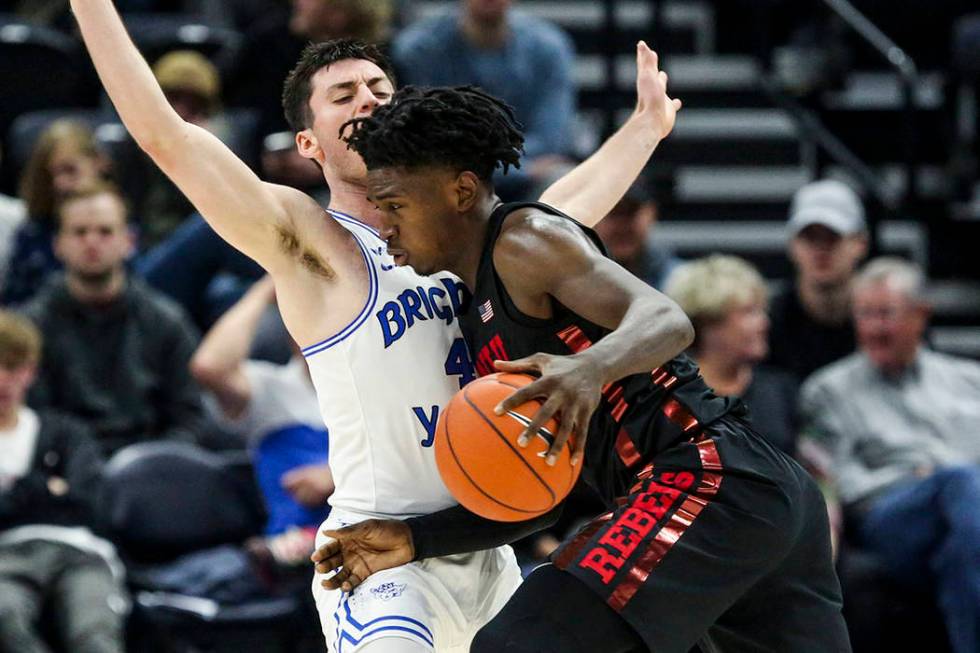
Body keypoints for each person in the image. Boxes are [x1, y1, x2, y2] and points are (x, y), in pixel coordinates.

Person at [71, 0, 683, 648]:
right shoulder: (309, 240)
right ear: (308, 142)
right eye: (343, 93)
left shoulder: (466, 230)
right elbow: (164, 137)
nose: (366, 98)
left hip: (488, 543)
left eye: (378, 89)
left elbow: (562, 213)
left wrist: (644, 130)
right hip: (380, 553)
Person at [314, 85, 850, 653]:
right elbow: (540, 499)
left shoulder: (523, 241)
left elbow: (666, 318)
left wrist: (590, 368)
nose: (384, 224)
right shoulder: (480, 310)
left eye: (395, 205)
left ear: (461, 190)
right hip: (757, 497)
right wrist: (415, 538)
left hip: (706, 479)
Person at [799, 257, 980, 653]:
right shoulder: (828, 390)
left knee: (961, 555)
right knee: (962, 482)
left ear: (921, 315)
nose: (875, 328)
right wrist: (926, 480)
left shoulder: (969, 381)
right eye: (865, 315)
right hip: (888, 516)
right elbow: (833, 480)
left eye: (887, 314)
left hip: (967, 519)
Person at [19, 184, 209, 456]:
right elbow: (28, 419)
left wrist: (155, 465)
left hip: (149, 470)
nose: (92, 241)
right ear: (58, 244)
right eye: (79, 232)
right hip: (62, 471)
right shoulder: (31, 328)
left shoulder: (166, 322)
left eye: (105, 231)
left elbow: (190, 417)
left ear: (129, 242)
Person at [0, 309, 128, 653]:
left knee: (94, 632)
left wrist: (17, 496)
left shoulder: (65, 432)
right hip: (5, 556)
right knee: (6, 618)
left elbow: (91, 499)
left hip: (78, 550)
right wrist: (47, 487)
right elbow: (66, 494)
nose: (2, 381)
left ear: (29, 371)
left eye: (12, 368)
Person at [191, 275, 332, 566]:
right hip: (296, 552)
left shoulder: (376, 390)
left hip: (373, 536)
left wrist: (338, 476)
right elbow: (209, 367)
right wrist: (266, 288)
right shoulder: (271, 388)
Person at [393, 0, 576, 197]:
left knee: (562, 179)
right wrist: (522, 171)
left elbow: (550, 140)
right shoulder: (420, 49)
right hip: (451, 181)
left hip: (525, 182)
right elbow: (430, 144)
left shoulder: (549, 47)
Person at [665, 254, 800, 454]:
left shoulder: (781, 390)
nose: (764, 323)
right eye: (749, 312)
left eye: (762, 311)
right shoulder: (672, 397)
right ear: (708, 321)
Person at [767, 178, 868, 381]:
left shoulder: (884, 318)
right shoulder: (768, 321)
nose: (821, 250)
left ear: (860, 243)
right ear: (792, 245)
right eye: (809, 237)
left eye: (833, 237)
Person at [2, 120, 111, 305]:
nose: (60, 184)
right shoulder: (32, 233)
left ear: (98, 163)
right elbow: (15, 309)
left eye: (70, 170)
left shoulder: (123, 218)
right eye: (49, 175)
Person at [593, 174, 680, 290]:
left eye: (630, 212)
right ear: (593, 217)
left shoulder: (681, 284)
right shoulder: (570, 283)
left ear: (652, 213)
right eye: (613, 212)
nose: (621, 226)